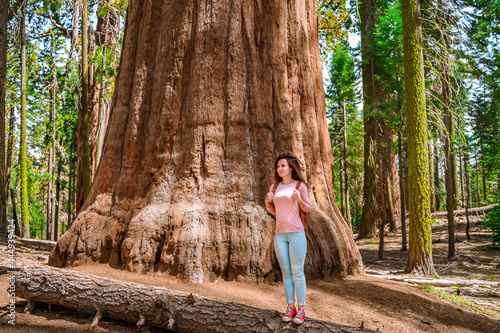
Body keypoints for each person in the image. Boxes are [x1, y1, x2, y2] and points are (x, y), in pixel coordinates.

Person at [265, 153, 312, 324]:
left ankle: (301, 309)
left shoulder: (299, 186)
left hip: (296, 234)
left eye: (283, 166)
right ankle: (290, 306)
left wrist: (299, 199)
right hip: (280, 235)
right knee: (286, 272)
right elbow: (273, 210)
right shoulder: (275, 186)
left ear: (291, 168)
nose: (280, 169)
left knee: (297, 271)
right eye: (278, 166)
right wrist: (267, 200)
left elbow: (308, 208)